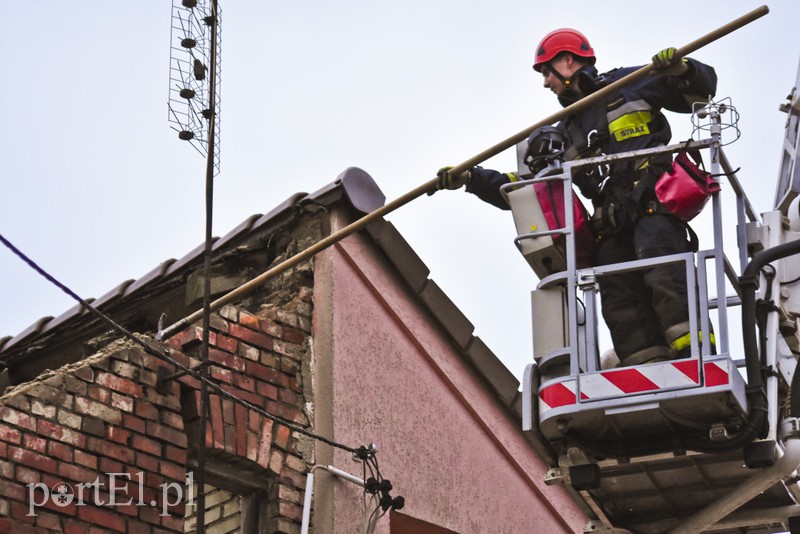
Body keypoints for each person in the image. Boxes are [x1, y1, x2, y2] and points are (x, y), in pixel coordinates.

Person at [437, 28, 717, 367]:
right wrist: (473, 178)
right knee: (620, 300)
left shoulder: (629, 84)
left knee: (665, 273)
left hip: (651, 208)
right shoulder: (564, 132)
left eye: (547, 72)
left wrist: (681, 68)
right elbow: (527, 190)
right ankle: (646, 369)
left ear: (567, 61)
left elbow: (700, 93)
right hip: (611, 227)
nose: (545, 83)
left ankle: (694, 356)